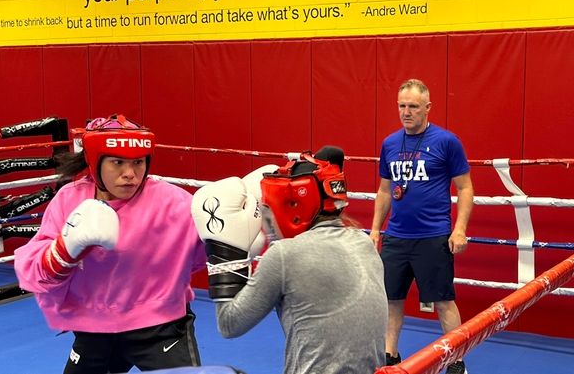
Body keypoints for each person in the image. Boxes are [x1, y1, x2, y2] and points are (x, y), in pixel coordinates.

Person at [14, 114, 207, 374]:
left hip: (161, 324)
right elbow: (35, 273)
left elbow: (205, 254)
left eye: (138, 162)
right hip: (95, 327)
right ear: (95, 164)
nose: (130, 174)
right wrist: (63, 252)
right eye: (117, 162)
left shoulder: (172, 202)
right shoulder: (69, 200)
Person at [191, 146, 387, 374]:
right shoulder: (363, 243)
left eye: (270, 210)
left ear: (294, 207)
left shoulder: (285, 255)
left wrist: (225, 251)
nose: (268, 221)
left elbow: (229, 324)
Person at [370, 79, 474, 374]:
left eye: (413, 106)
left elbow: (465, 188)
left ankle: (456, 361)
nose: (406, 112)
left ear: (427, 108)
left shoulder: (446, 142)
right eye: (402, 106)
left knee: (443, 301)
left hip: (433, 236)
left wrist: (460, 228)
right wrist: (376, 229)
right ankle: (390, 358)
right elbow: (385, 190)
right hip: (397, 237)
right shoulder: (390, 144)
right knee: (390, 301)